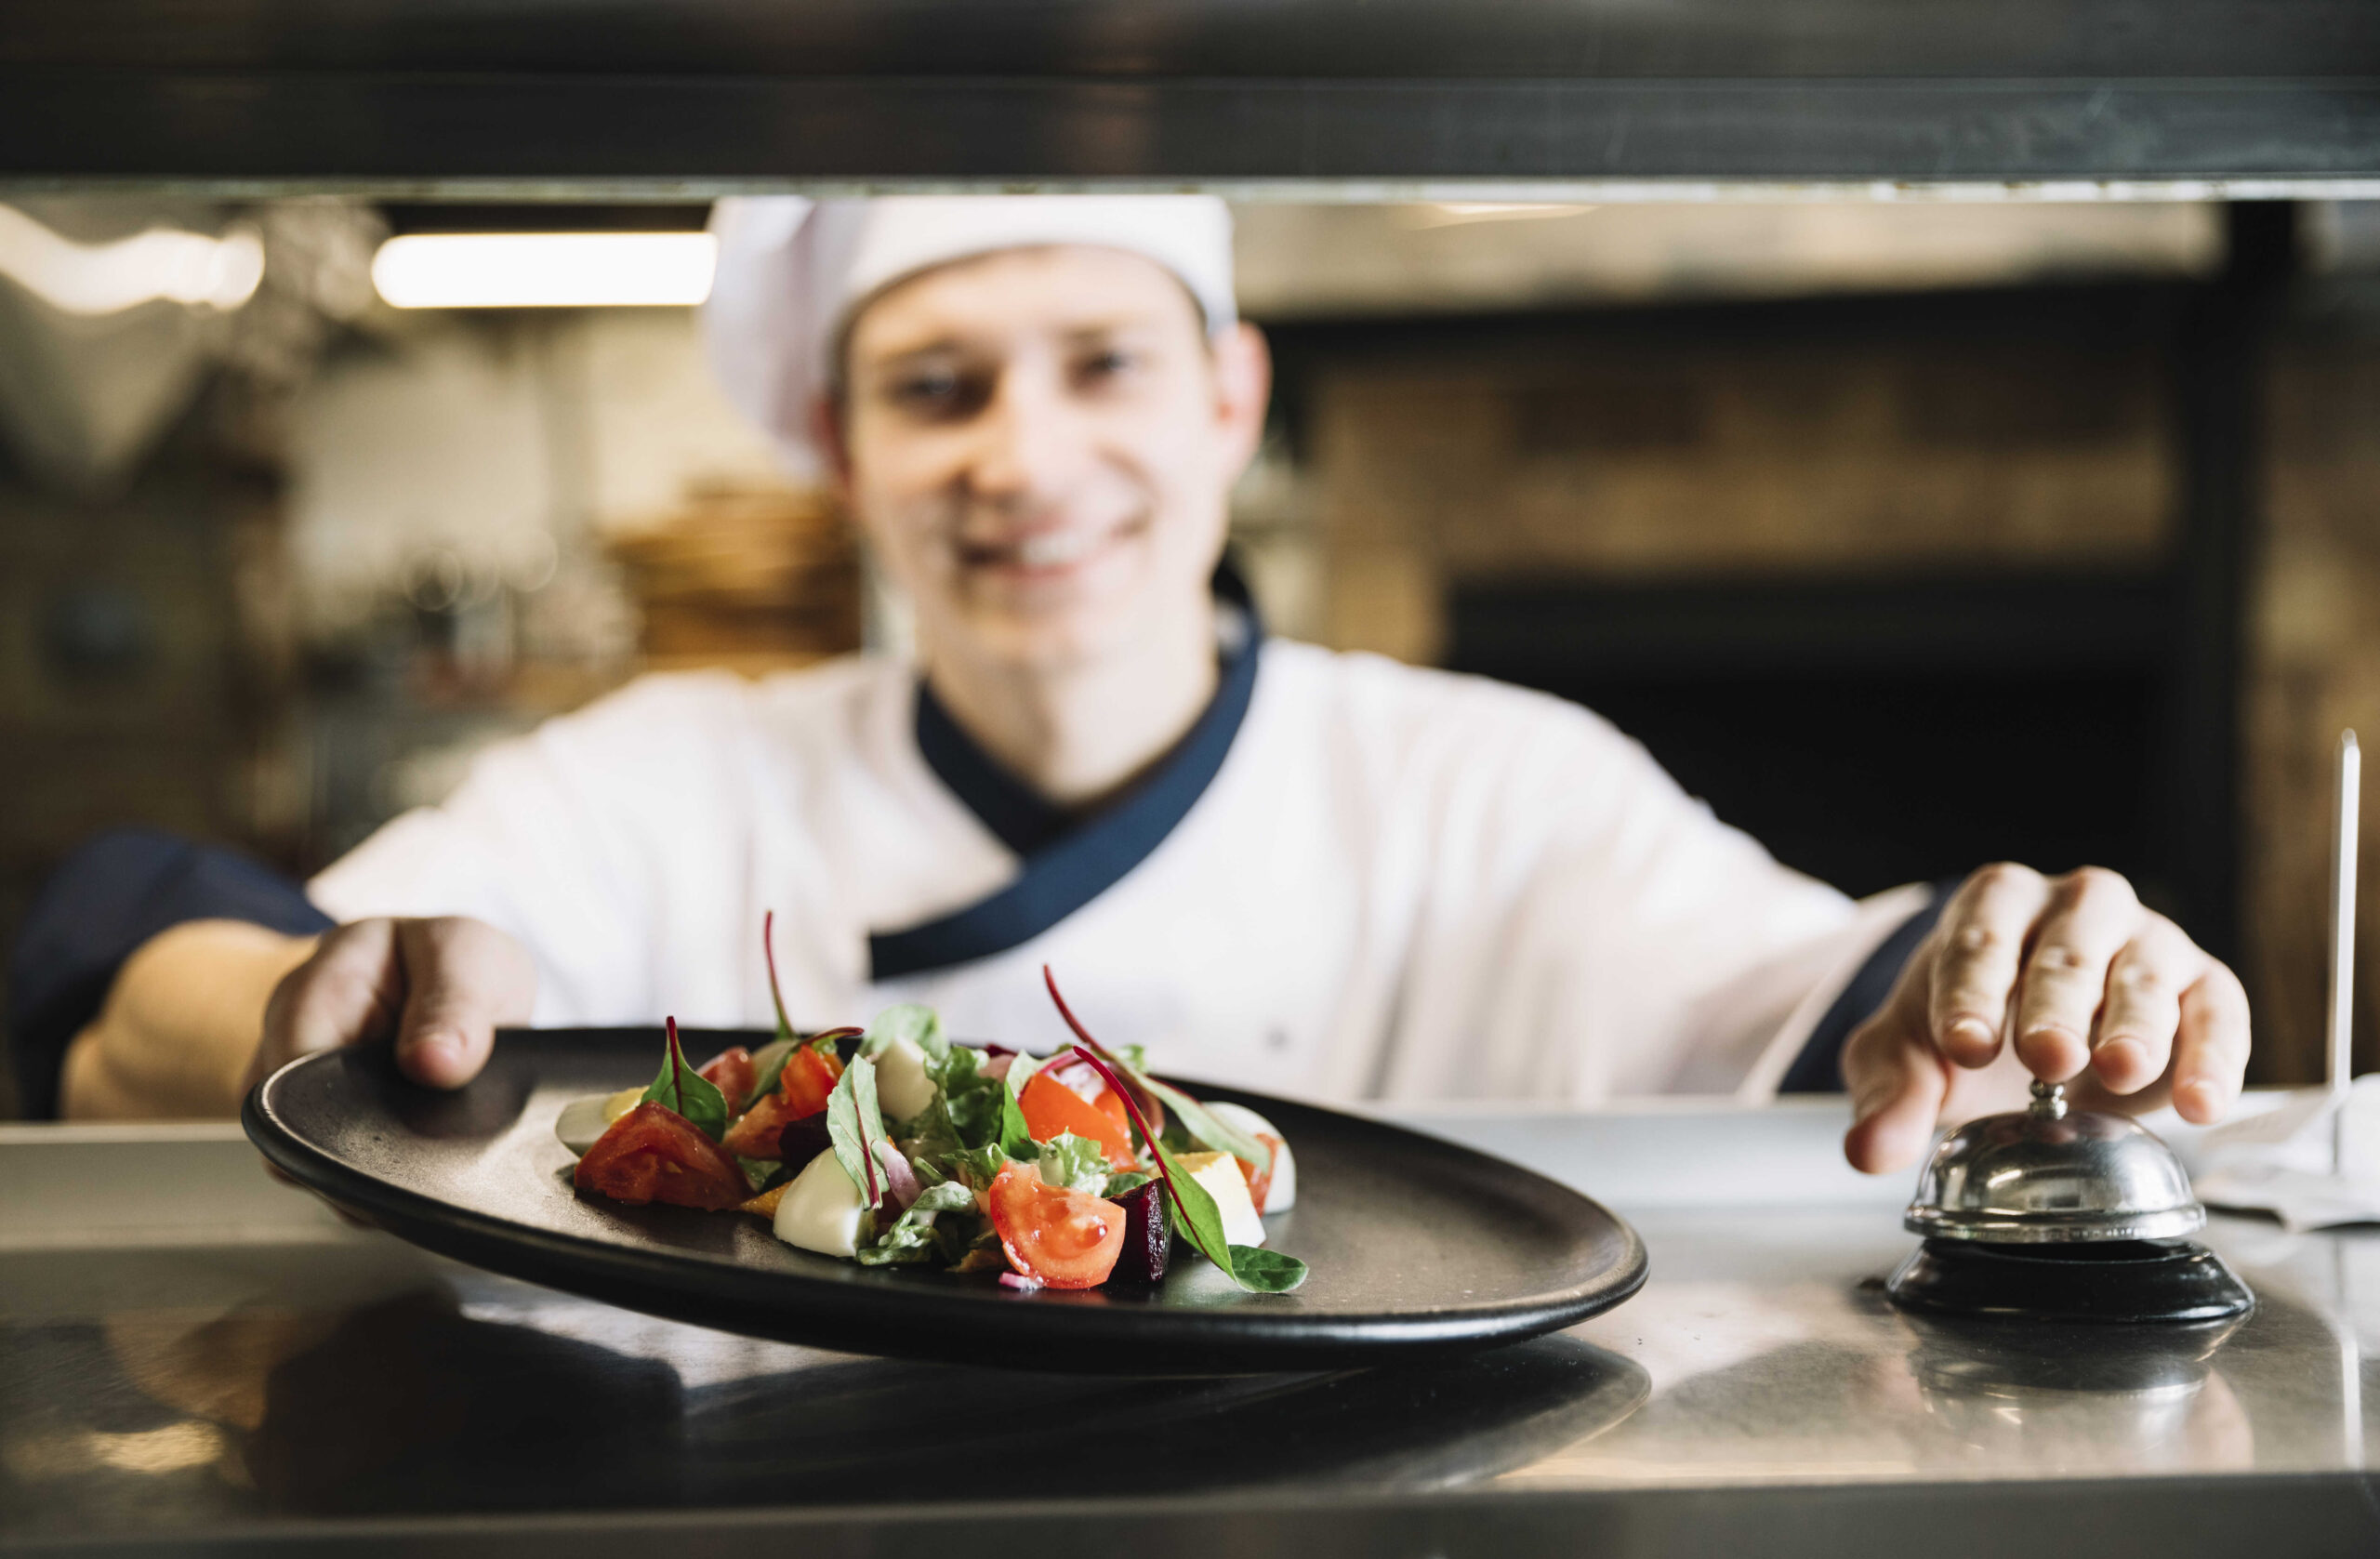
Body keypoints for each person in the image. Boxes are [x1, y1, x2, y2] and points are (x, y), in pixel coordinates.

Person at [26, 195, 2251, 1174]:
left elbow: (1812, 995)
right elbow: (146, 973)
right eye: (935, 386)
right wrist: (280, 1005)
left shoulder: (1479, 783)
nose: (1024, 455)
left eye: (1100, 364)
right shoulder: (663, 785)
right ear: (841, 455)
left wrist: (2007, 962)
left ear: (1225, 400)